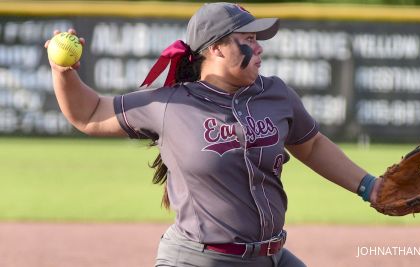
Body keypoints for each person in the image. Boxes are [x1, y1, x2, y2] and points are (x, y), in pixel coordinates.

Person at [45, 2, 380, 267]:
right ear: (216, 49)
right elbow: (88, 115)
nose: (259, 48)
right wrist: (64, 73)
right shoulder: (171, 103)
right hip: (200, 260)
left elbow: (312, 145)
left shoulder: (276, 94)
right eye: (248, 40)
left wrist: (369, 186)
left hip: (271, 257)